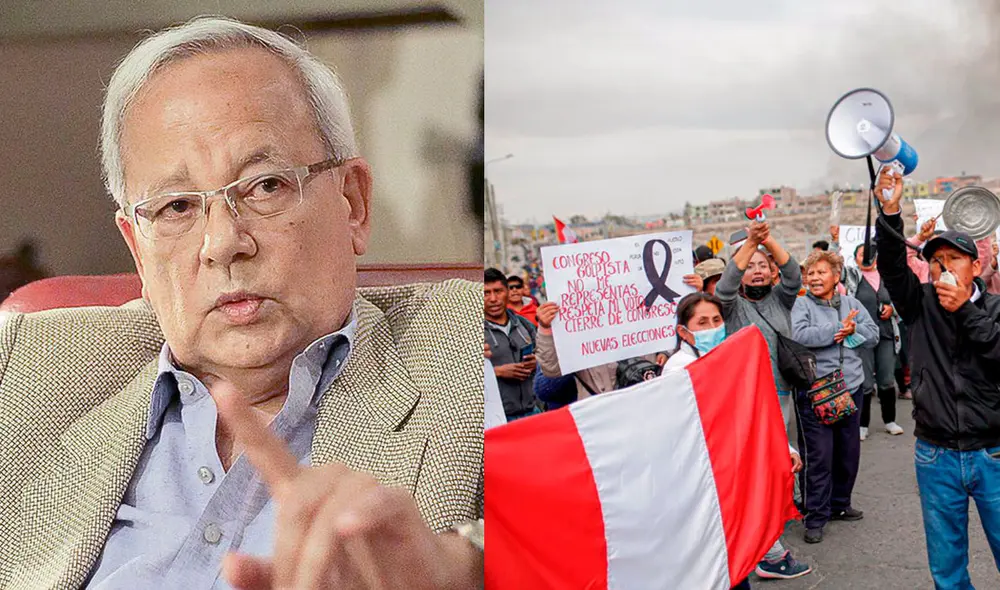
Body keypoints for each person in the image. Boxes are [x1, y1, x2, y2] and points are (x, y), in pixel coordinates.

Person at [0, 18, 483, 587]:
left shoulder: (473, 344)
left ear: (353, 204)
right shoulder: (26, 366)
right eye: (177, 207)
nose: (224, 243)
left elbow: (597, 523)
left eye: (266, 185)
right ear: (137, 249)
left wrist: (462, 568)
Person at [876, 167, 1000, 589]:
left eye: (954, 259)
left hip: (993, 454)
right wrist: (890, 213)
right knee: (947, 568)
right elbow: (893, 269)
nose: (942, 267)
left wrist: (965, 309)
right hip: (936, 455)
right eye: (935, 260)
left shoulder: (995, 307)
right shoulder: (920, 304)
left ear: (976, 264)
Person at [665, 292, 811, 584]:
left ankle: (770, 558)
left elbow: (757, 409)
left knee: (740, 546)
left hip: (737, 465)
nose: (712, 327)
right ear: (684, 331)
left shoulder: (733, 357)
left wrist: (785, 447)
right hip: (706, 474)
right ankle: (770, 559)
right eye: (702, 322)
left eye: (717, 320)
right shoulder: (677, 371)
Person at [792, 250, 878, 544]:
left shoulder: (852, 303)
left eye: (821, 272)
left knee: (848, 453)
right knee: (819, 457)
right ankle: (815, 516)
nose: (815, 278)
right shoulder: (801, 304)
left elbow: (873, 333)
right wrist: (837, 329)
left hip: (851, 387)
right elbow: (799, 335)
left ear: (836, 276)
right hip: (817, 390)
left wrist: (853, 330)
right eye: (810, 273)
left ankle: (841, 505)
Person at [715, 221, 801, 431]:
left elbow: (793, 275)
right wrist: (751, 243)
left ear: (772, 272)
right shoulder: (731, 306)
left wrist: (767, 240)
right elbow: (724, 288)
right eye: (750, 266)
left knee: (779, 447)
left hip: (780, 389)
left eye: (763, 266)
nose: (757, 271)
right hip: (744, 391)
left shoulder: (781, 298)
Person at [843, 243, 904, 440]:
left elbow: (901, 300)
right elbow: (834, 266)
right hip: (862, 337)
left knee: (887, 380)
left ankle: (890, 421)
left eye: (870, 254)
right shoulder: (852, 278)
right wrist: (835, 241)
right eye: (862, 254)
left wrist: (892, 310)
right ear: (855, 258)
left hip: (886, 335)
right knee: (866, 382)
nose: (867, 257)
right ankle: (862, 424)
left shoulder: (887, 276)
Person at [485, 268, 539, 421]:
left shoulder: (524, 325)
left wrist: (537, 363)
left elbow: (545, 358)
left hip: (532, 412)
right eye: (486, 293)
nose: (493, 298)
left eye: (498, 291)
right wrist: (496, 372)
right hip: (496, 419)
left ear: (507, 293)